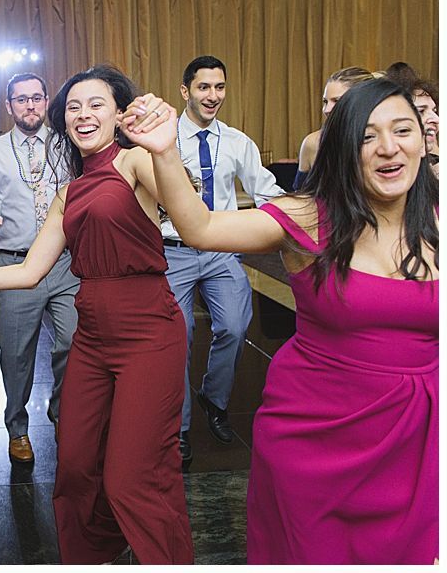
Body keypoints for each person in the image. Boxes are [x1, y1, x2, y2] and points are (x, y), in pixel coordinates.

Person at [126, 78, 438, 564]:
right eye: (367, 136)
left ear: (425, 139)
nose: (389, 148)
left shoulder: (438, 221)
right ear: (341, 149)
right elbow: (201, 228)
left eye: (403, 130)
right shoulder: (311, 217)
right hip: (317, 436)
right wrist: (164, 151)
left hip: (419, 438)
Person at [0, 64, 194, 564]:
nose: (83, 115)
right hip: (93, 338)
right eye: (74, 107)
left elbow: (187, 208)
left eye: (96, 104)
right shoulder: (71, 192)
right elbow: (27, 272)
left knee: (133, 478)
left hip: (148, 333)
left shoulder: (137, 164)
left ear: (119, 113)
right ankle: (91, 556)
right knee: (77, 467)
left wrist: (164, 147)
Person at [168, 56, 283, 467]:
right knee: (176, 340)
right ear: (186, 91)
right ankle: (177, 429)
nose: (212, 96)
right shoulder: (163, 142)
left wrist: (301, 219)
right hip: (172, 252)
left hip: (220, 251)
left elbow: (267, 192)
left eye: (219, 87)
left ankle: (214, 400)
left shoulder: (236, 142)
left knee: (234, 327)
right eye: (204, 87)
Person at [0, 72, 77, 463]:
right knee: (15, 354)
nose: (31, 106)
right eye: (21, 100)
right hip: (15, 264)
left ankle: (62, 411)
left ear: (46, 100)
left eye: (37, 98)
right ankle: (17, 428)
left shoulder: (66, 145)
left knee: (74, 340)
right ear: (9, 106)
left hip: (64, 262)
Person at [295, 66, 376, 190]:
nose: (327, 110)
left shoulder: (382, 145)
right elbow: (300, 198)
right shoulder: (313, 143)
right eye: (325, 102)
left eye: (337, 101)